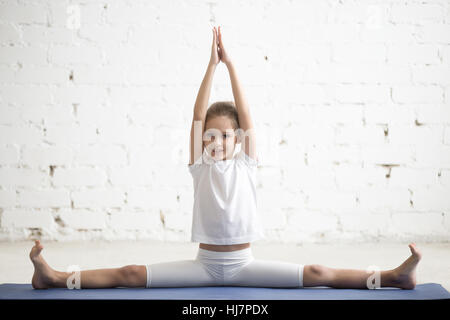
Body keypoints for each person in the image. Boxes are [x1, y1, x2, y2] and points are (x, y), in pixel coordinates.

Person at [29, 26, 421, 290]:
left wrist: (230, 65)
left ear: (239, 140)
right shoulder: (200, 166)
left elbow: (247, 115)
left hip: (246, 265)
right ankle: (53, 277)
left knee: (319, 272)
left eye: (225, 135)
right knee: (130, 273)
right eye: (210, 136)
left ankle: (393, 277)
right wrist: (209, 66)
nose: (216, 140)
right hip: (202, 266)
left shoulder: (246, 164)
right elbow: (197, 117)